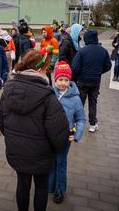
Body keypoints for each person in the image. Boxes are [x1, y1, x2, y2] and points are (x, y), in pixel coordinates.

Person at [0, 49, 69, 211]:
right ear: (38, 70)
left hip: (16, 150)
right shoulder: (48, 96)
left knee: (22, 184)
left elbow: (1, 119)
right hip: (41, 154)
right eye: (45, 68)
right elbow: (58, 133)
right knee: (41, 186)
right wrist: (58, 150)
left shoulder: (8, 89)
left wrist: (11, 139)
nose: (47, 72)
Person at [48, 61, 86, 203]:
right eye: (60, 80)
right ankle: (50, 185)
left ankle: (60, 189)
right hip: (50, 136)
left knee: (61, 162)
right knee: (51, 161)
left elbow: (81, 119)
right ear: (55, 79)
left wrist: (76, 135)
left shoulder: (76, 99)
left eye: (66, 80)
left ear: (70, 81)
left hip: (65, 137)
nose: (63, 83)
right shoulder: (49, 94)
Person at [72, 29, 111, 132]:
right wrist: (98, 72)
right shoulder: (103, 51)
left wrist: (75, 79)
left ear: (86, 39)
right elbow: (108, 66)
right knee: (93, 102)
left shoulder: (82, 51)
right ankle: (93, 124)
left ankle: (76, 123)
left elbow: (75, 68)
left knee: (80, 102)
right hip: (95, 81)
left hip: (82, 81)